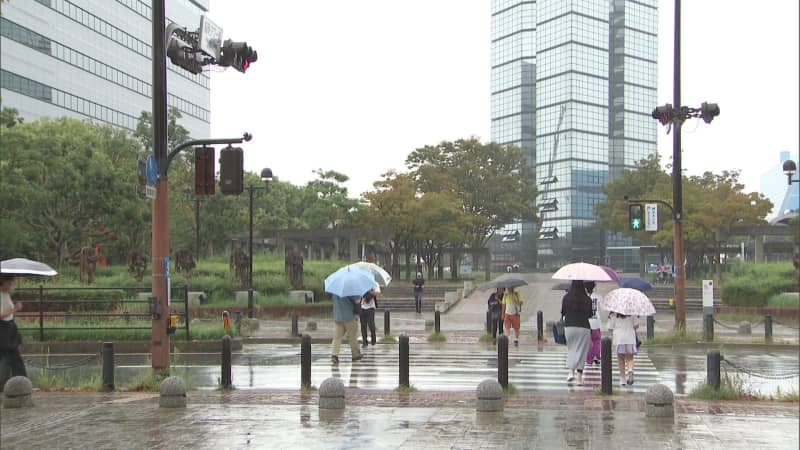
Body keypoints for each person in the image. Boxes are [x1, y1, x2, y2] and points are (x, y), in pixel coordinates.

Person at [561, 280, 592, 385]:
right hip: (584, 326)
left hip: (569, 326)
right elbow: (590, 315)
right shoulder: (587, 299)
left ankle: (570, 372)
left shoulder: (566, 298)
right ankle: (579, 376)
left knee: (571, 348)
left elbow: (563, 312)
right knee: (582, 351)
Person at [0, 275, 27, 385]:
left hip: (9, 327)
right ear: (3, 283)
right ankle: (21, 382)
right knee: (9, 357)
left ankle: (21, 381)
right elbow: (1, 315)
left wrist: (14, 309)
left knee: (12, 356)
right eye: (9, 283)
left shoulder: (6, 294)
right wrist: (14, 309)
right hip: (3, 328)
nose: (11, 286)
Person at [607, 312, 639, 386]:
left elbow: (610, 328)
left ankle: (623, 379)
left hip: (619, 339)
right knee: (630, 358)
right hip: (630, 338)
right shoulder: (632, 313)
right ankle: (630, 370)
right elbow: (636, 326)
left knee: (621, 359)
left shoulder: (613, 314)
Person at [330, 294, 363, 364]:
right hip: (349, 317)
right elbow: (357, 301)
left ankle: (334, 355)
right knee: (352, 336)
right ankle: (355, 354)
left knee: (337, 338)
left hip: (338, 316)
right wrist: (360, 297)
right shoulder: (350, 291)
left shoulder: (335, 292)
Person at [584, 282, 602, 365]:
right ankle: (597, 356)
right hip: (596, 322)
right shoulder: (598, 297)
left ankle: (589, 359)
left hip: (586, 322)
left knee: (588, 341)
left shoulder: (583, 297)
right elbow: (601, 308)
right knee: (597, 340)